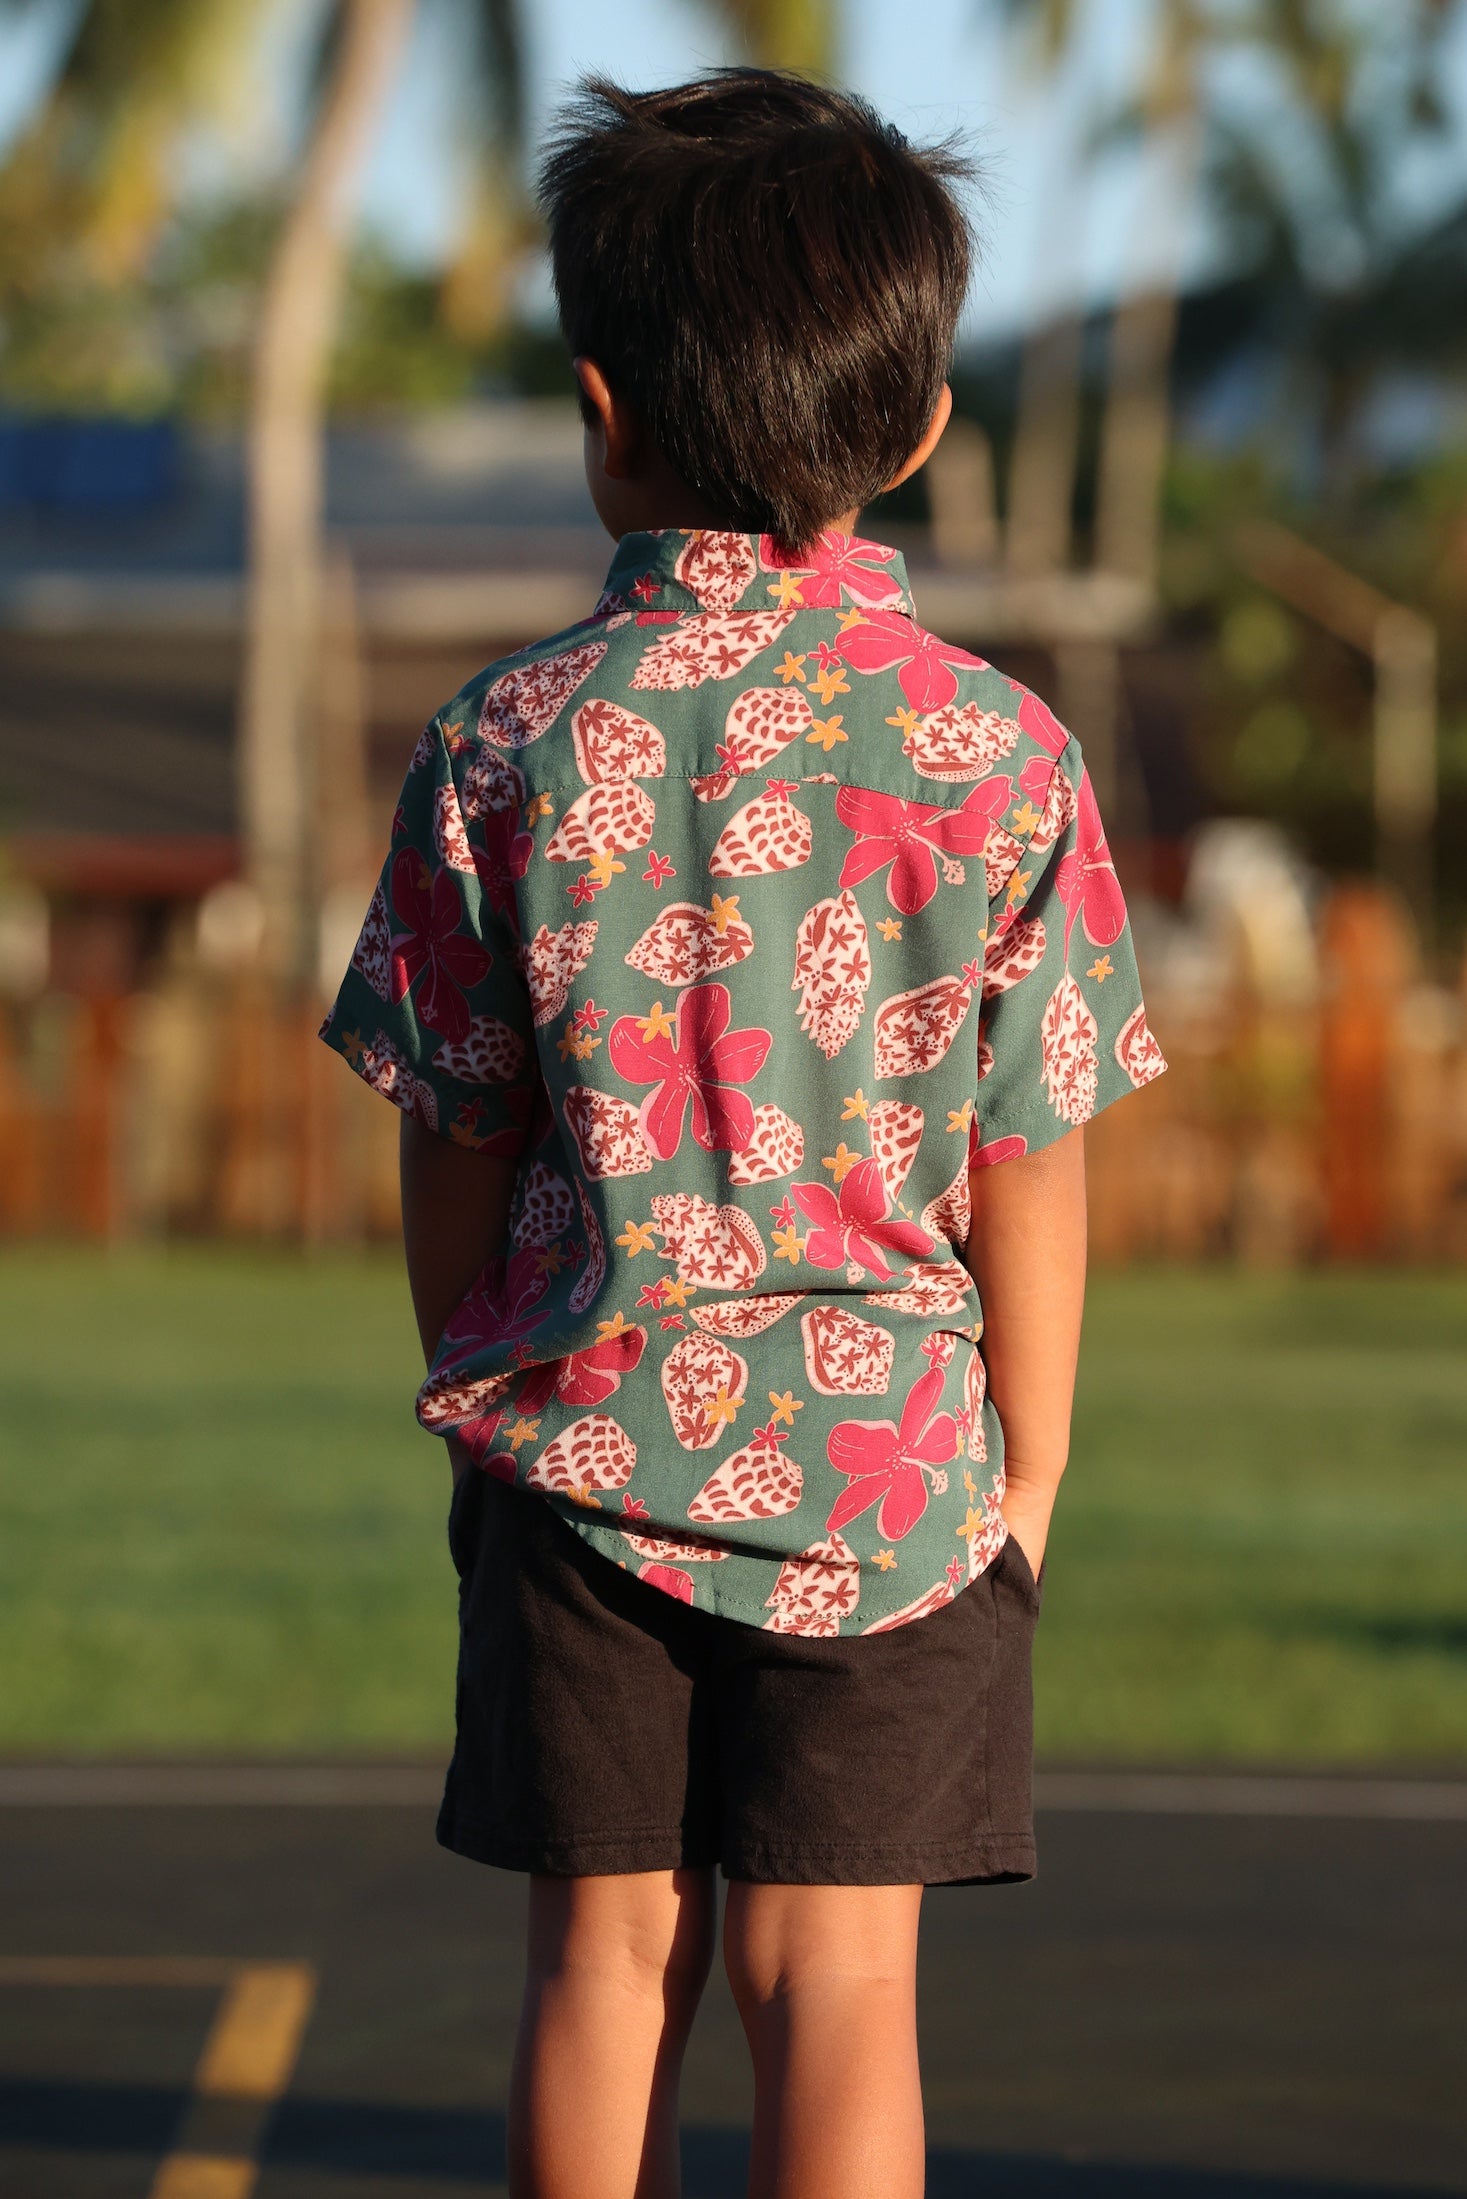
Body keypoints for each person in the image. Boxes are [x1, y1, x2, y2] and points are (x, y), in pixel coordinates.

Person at [321, 69, 1166, 2199]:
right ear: (918, 427)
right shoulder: (999, 747)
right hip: (896, 1477)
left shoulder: (501, 739)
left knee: (602, 1967)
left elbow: (448, 1122)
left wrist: (479, 1368)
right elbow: (1029, 1157)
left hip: (575, 1446)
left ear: (600, 408)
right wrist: (1029, 1467)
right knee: (838, 1990)